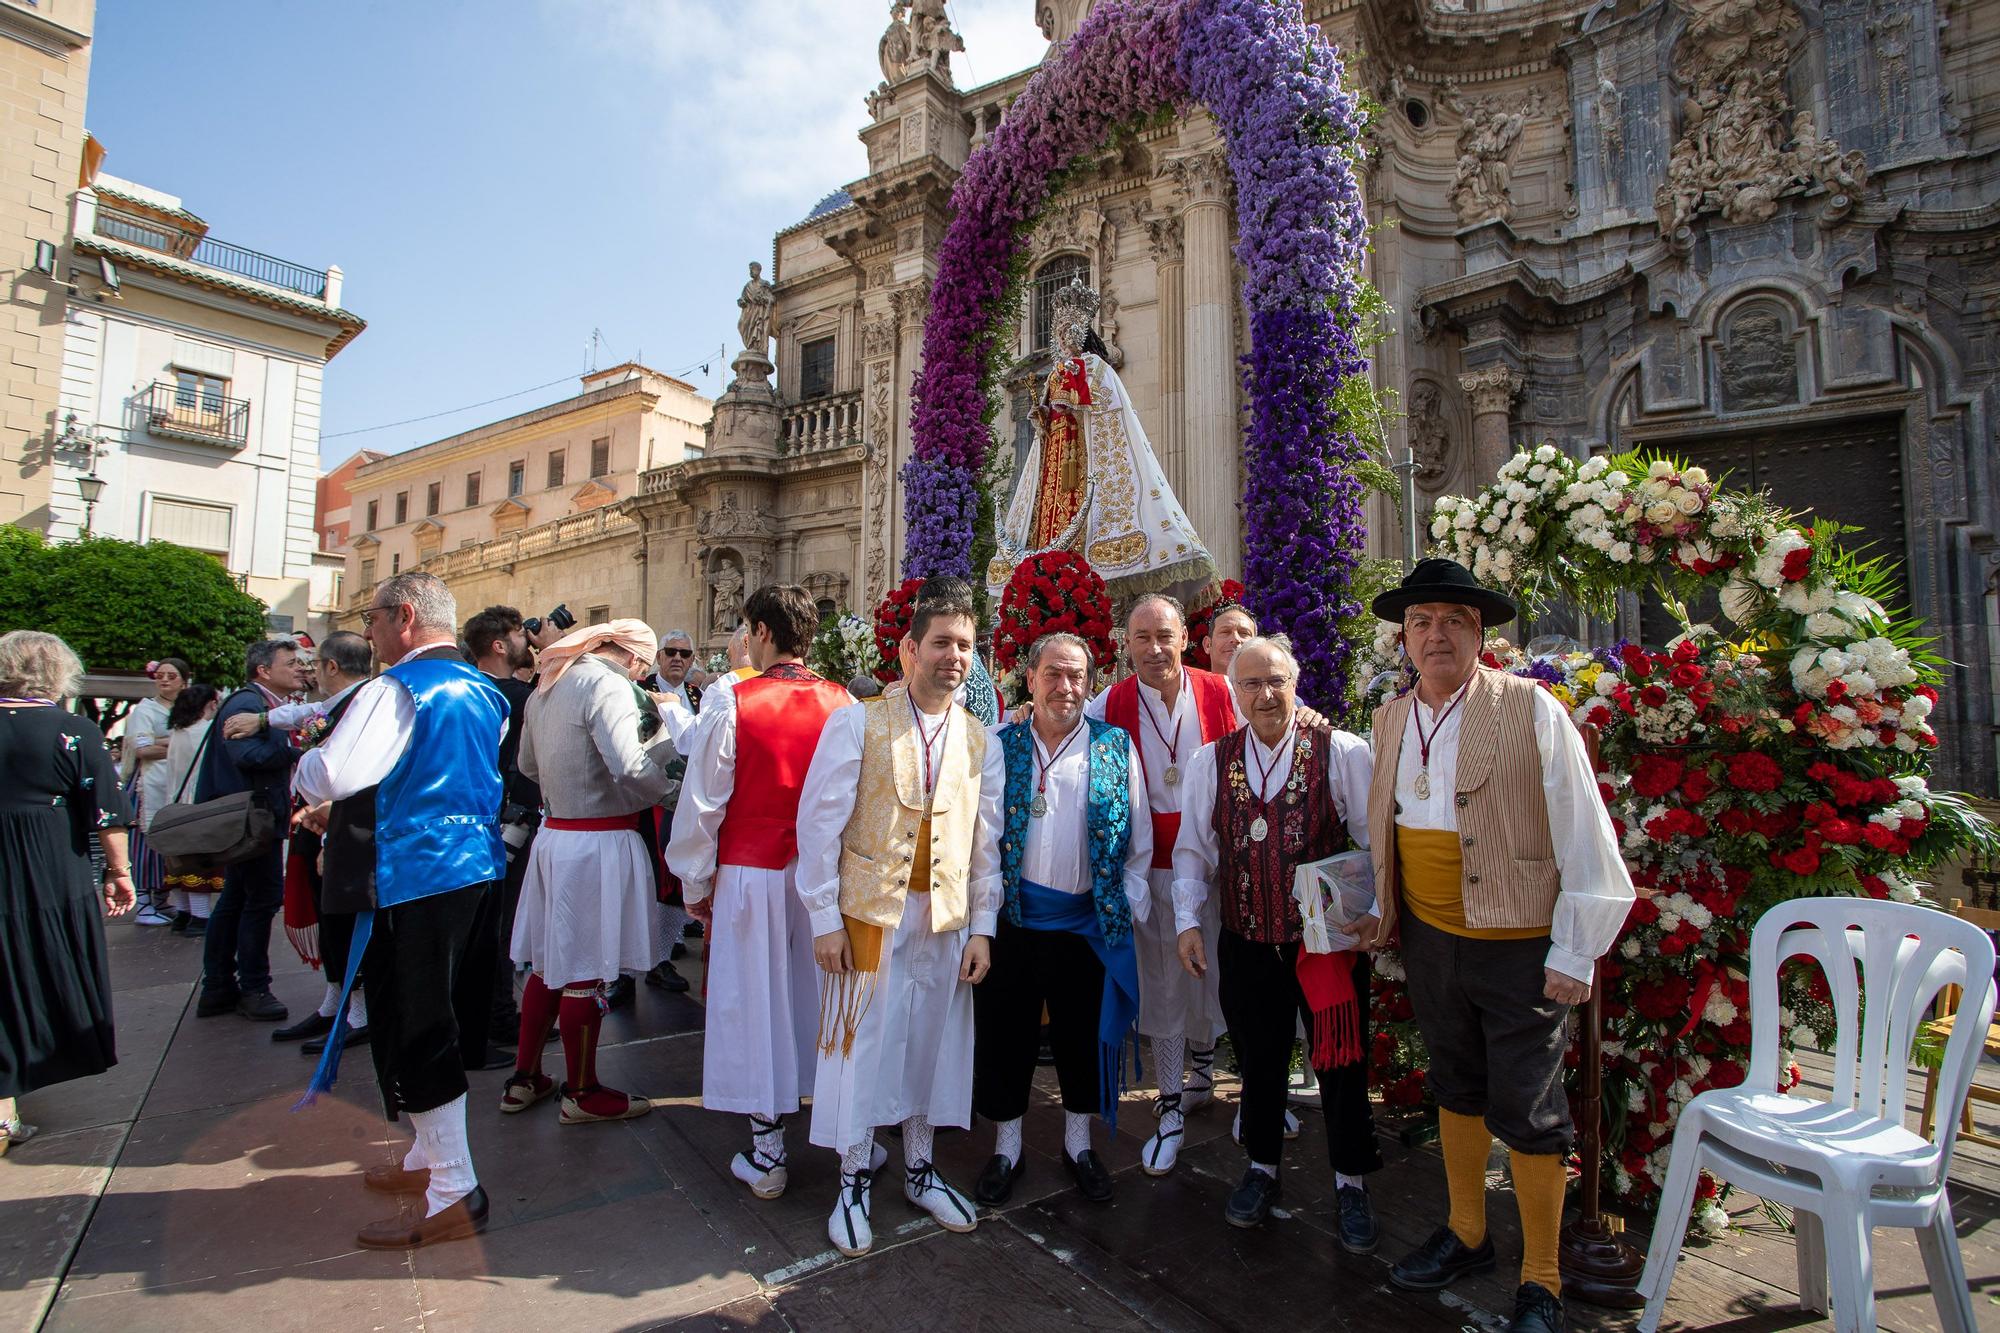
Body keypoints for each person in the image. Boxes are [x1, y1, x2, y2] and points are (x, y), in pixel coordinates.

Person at [1356, 559, 1634, 1333]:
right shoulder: (1389, 718)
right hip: (1431, 936)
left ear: (1480, 632)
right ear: (1404, 639)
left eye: (1451, 619)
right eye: (1420, 622)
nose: (1434, 634)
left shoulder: (1532, 709)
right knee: (1457, 1082)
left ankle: (1541, 1275)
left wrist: (1575, 950)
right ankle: (1469, 1232)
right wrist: (1375, 911)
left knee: (1531, 1105)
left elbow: (1584, 830)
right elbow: (1390, 830)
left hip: (1518, 941)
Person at [292, 572, 508, 1250]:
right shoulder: (485, 688)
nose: (369, 631)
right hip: (470, 864)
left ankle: (453, 1185)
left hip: (411, 871)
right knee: (426, 1011)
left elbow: (331, 773)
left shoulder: (397, 689)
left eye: (373, 616)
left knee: (416, 1021)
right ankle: (427, 1158)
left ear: (405, 616)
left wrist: (305, 772)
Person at [795, 585, 1003, 1256]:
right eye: (941, 642)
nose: (954, 656)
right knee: (865, 1045)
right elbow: (818, 827)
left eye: (966, 645)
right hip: (871, 914)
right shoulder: (858, 721)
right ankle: (854, 1175)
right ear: (910, 647)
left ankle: (919, 1166)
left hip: (943, 917)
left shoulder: (978, 738)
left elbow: (984, 842)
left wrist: (983, 926)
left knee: (929, 1043)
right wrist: (824, 916)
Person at [1171, 635, 1382, 1241]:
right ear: (1232, 692)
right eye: (1251, 684)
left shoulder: (1342, 751)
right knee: (1257, 1062)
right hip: (1246, 939)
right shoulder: (1209, 761)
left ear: (1296, 683)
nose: (1265, 695)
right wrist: (1188, 922)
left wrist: (1369, 914)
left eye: (1276, 681)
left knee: (1341, 1061)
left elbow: (1371, 844)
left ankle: (1351, 1181)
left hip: (1324, 948)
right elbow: (1193, 850)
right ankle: (1262, 1167)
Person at [667, 585, 852, 1199]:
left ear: (763, 633)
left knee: (756, 1001)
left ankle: (769, 1149)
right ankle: (850, 1131)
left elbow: (702, 805)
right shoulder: (843, 702)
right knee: (824, 998)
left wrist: (695, 881)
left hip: (751, 873)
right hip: (823, 878)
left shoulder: (734, 703)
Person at [972, 633, 1148, 1207]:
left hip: (1084, 923)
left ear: (1090, 685)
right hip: (1015, 920)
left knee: (1081, 1037)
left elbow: (1137, 843)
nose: (1064, 687)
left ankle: (1078, 1145)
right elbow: (983, 834)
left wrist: (1127, 908)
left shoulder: (1116, 747)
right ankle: (1007, 1148)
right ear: (1030, 678)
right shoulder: (1000, 742)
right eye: (1053, 674)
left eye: (1076, 676)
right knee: (1007, 1035)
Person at [1086, 594, 1238, 1174]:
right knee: (1166, 984)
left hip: (1218, 864)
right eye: (1142, 637)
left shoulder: (1223, 692)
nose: (1154, 649)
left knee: (1218, 975)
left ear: (1185, 638)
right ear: (1127, 644)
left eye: (1164, 636)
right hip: (1150, 866)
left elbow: (1277, 722)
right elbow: (1066, 732)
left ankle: (1220, 1080)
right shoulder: (1109, 703)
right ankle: (1170, 1104)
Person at [505, 618, 676, 1124]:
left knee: (548, 964)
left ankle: (525, 1076)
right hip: (598, 840)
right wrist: (675, 793)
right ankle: (580, 1090)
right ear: (627, 655)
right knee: (583, 968)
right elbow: (631, 764)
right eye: (641, 667)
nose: (641, 677)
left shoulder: (549, 684)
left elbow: (528, 765)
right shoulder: (608, 684)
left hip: (555, 836)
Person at [988, 278, 1213, 602]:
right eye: (1061, 333)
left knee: (1084, 512)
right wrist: (1042, 417)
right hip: (1053, 459)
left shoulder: (1094, 367)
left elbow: (1101, 403)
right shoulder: (1054, 373)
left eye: (1070, 332)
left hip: (1082, 455)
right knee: (1045, 517)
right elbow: (1051, 415)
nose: (1065, 339)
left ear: (1080, 334)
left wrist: (1072, 396)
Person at [0, 631, 137, 1155]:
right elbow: (107, 814)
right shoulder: (71, 731)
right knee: (36, 966)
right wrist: (119, 873)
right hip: (46, 872)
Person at [256, 632, 374, 1049]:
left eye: (314, 664)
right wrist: (264, 720)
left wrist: (326, 831)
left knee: (343, 921)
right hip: (320, 823)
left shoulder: (364, 705)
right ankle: (333, 1003)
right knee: (329, 920)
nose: (310, 673)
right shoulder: (339, 703)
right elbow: (310, 714)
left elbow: (342, 774)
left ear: (331, 666)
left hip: (343, 827)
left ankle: (356, 1012)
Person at [195, 638, 307, 1023]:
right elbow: (248, 756)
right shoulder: (249, 705)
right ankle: (253, 986)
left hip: (254, 818)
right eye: (290, 662)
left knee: (236, 900)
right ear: (264, 670)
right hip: (250, 819)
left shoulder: (263, 705)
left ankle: (219, 986)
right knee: (260, 899)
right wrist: (299, 749)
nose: (299, 668)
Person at [464, 606, 543, 1052]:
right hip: (511, 823)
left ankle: (485, 1013)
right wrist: (551, 649)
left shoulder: (465, 689)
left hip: (474, 823)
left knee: (484, 923)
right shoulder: (517, 695)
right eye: (518, 634)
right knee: (502, 925)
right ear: (498, 644)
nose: (526, 640)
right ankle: (496, 1017)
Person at [645, 627, 702, 990]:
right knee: (650, 880)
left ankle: (662, 955)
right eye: (671, 652)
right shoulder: (641, 692)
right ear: (659, 657)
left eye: (684, 653)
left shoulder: (698, 696)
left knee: (679, 882)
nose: (678, 658)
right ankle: (629, 965)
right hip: (650, 799)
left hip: (689, 800)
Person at [123, 657, 189, 925]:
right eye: (160, 675)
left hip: (174, 783)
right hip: (148, 784)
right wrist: (178, 743)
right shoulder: (145, 711)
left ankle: (160, 899)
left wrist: (161, 742)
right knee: (145, 841)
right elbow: (142, 748)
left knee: (171, 841)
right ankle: (143, 901)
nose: (164, 680)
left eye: (171, 676)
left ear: (184, 680)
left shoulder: (186, 710)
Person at [161, 684, 221, 933]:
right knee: (200, 864)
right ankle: (200, 917)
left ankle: (183, 913)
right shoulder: (207, 731)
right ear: (210, 703)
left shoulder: (179, 731)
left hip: (175, 803)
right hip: (198, 804)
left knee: (179, 863)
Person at [1201, 604, 1259, 679]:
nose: (1235, 639)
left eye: (1244, 633)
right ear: (1208, 645)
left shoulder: (1269, 690)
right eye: (1225, 632)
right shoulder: (1191, 689)